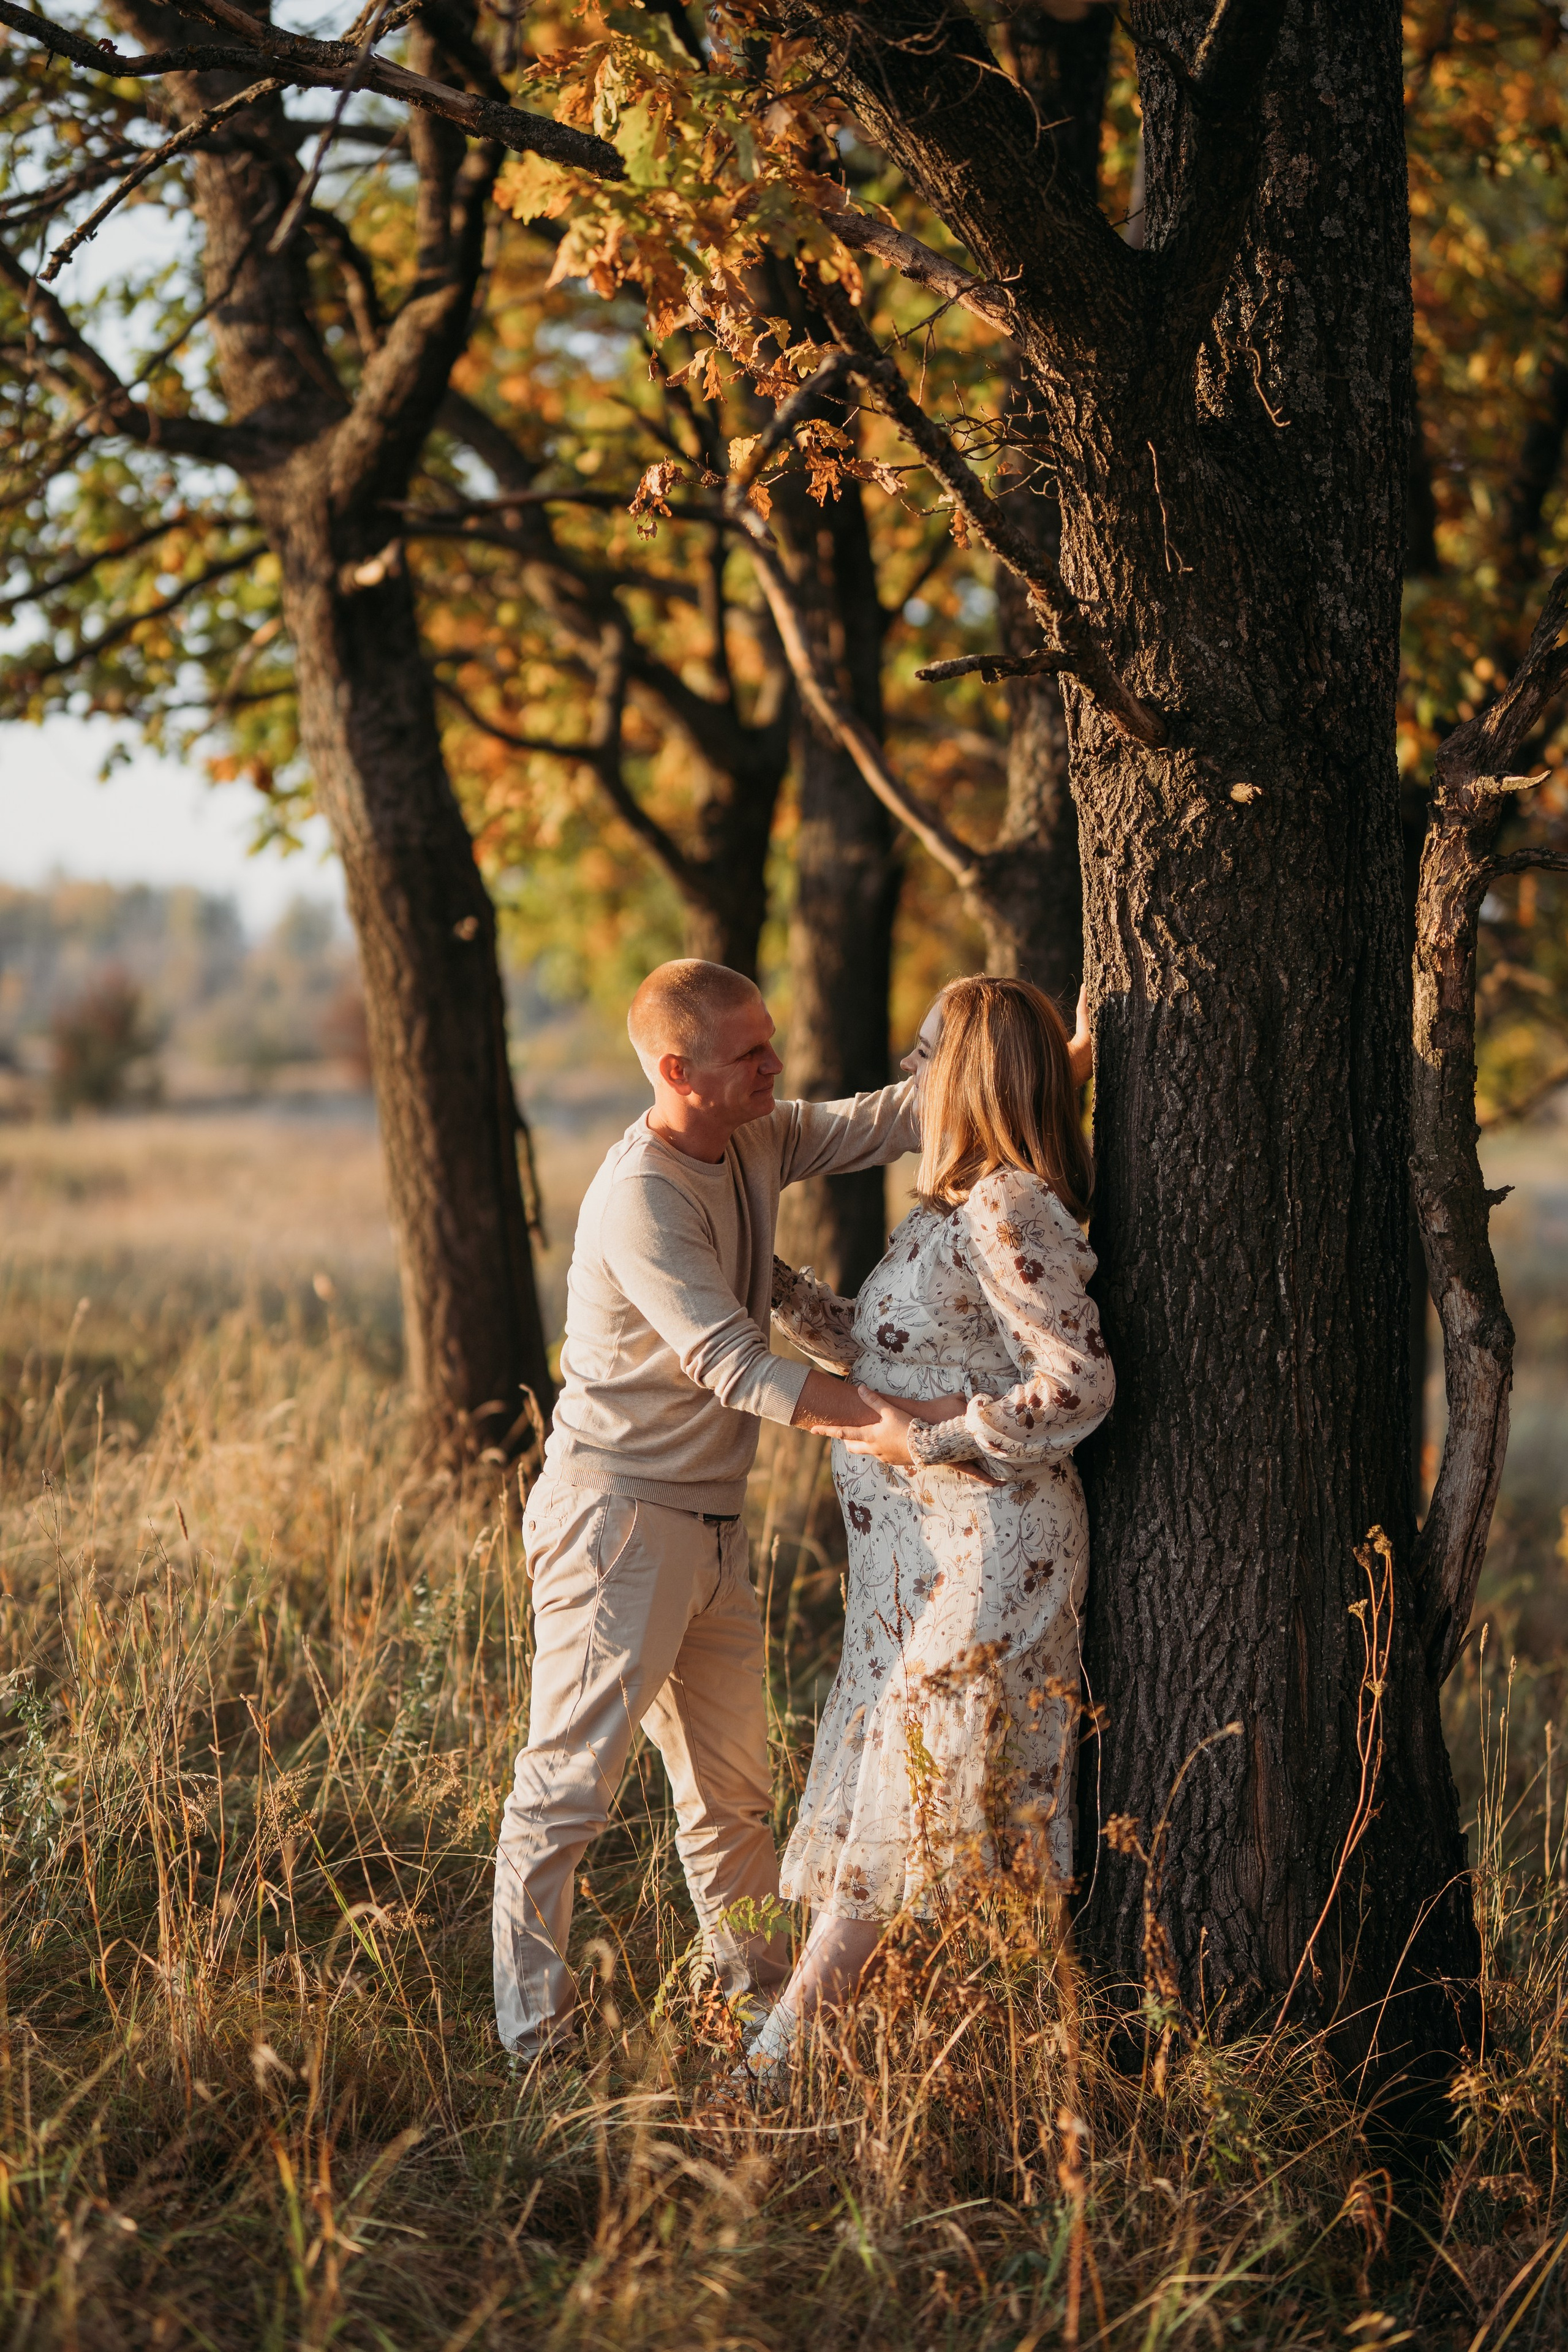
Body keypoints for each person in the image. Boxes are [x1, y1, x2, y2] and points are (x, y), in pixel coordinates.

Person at [492, 958, 919, 2062]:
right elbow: (734, 1364)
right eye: (751, 1053)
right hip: (616, 1525)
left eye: (771, 1042)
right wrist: (908, 1424)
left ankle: (758, 2010)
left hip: (713, 1527)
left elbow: (882, 1121)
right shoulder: (640, 1196)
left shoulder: (756, 1133)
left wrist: (1057, 1061)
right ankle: (534, 2046)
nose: (776, 1066)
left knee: (733, 1798)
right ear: (679, 1072)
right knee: (567, 1791)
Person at [745, 974, 1112, 2084]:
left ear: (971, 1074)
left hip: (996, 1544)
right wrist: (771, 1285)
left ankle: (775, 2061)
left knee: (914, 1786)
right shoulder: (950, 1207)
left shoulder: (1008, 1206)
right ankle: (1018, 2055)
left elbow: (1078, 1383)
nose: (908, 1070)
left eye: (925, 1052)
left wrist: (938, 1438)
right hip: (914, 1555)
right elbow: (887, 1350)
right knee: (915, 1784)